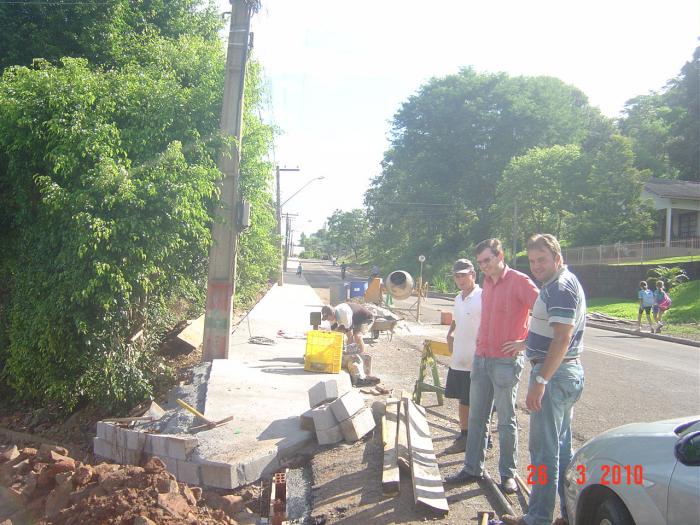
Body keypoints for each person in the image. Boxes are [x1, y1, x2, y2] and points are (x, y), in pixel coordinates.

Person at [501, 234, 586, 525]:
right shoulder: (559, 283)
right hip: (565, 373)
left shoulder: (560, 287)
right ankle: (569, 513)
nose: (536, 266)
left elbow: (562, 337)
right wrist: (527, 343)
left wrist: (541, 380)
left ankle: (537, 517)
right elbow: (554, 331)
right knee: (561, 449)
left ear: (557, 259)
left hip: (554, 375)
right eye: (532, 260)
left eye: (542, 260)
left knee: (543, 451)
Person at [445, 238, 539, 495]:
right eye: (480, 262)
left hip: (505, 362)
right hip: (482, 357)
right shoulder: (487, 283)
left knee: (506, 420)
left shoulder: (520, 282)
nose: (484, 266)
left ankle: (508, 474)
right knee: (476, 417)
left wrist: (525, 342)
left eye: (487, 260)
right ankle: (472, 467)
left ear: (500, 255)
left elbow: (544, 312)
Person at [443, 259, 482, 455]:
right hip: (460, 358)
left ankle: (484, 438)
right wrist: (450, 333)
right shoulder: (458, 298)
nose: (460, 279)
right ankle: (464, 435)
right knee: (462, 400)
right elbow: (457, 320)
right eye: (457, 276)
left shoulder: (482, 296)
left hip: (477, 359)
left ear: (473, 275)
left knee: (479, 402)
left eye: (464, 275)